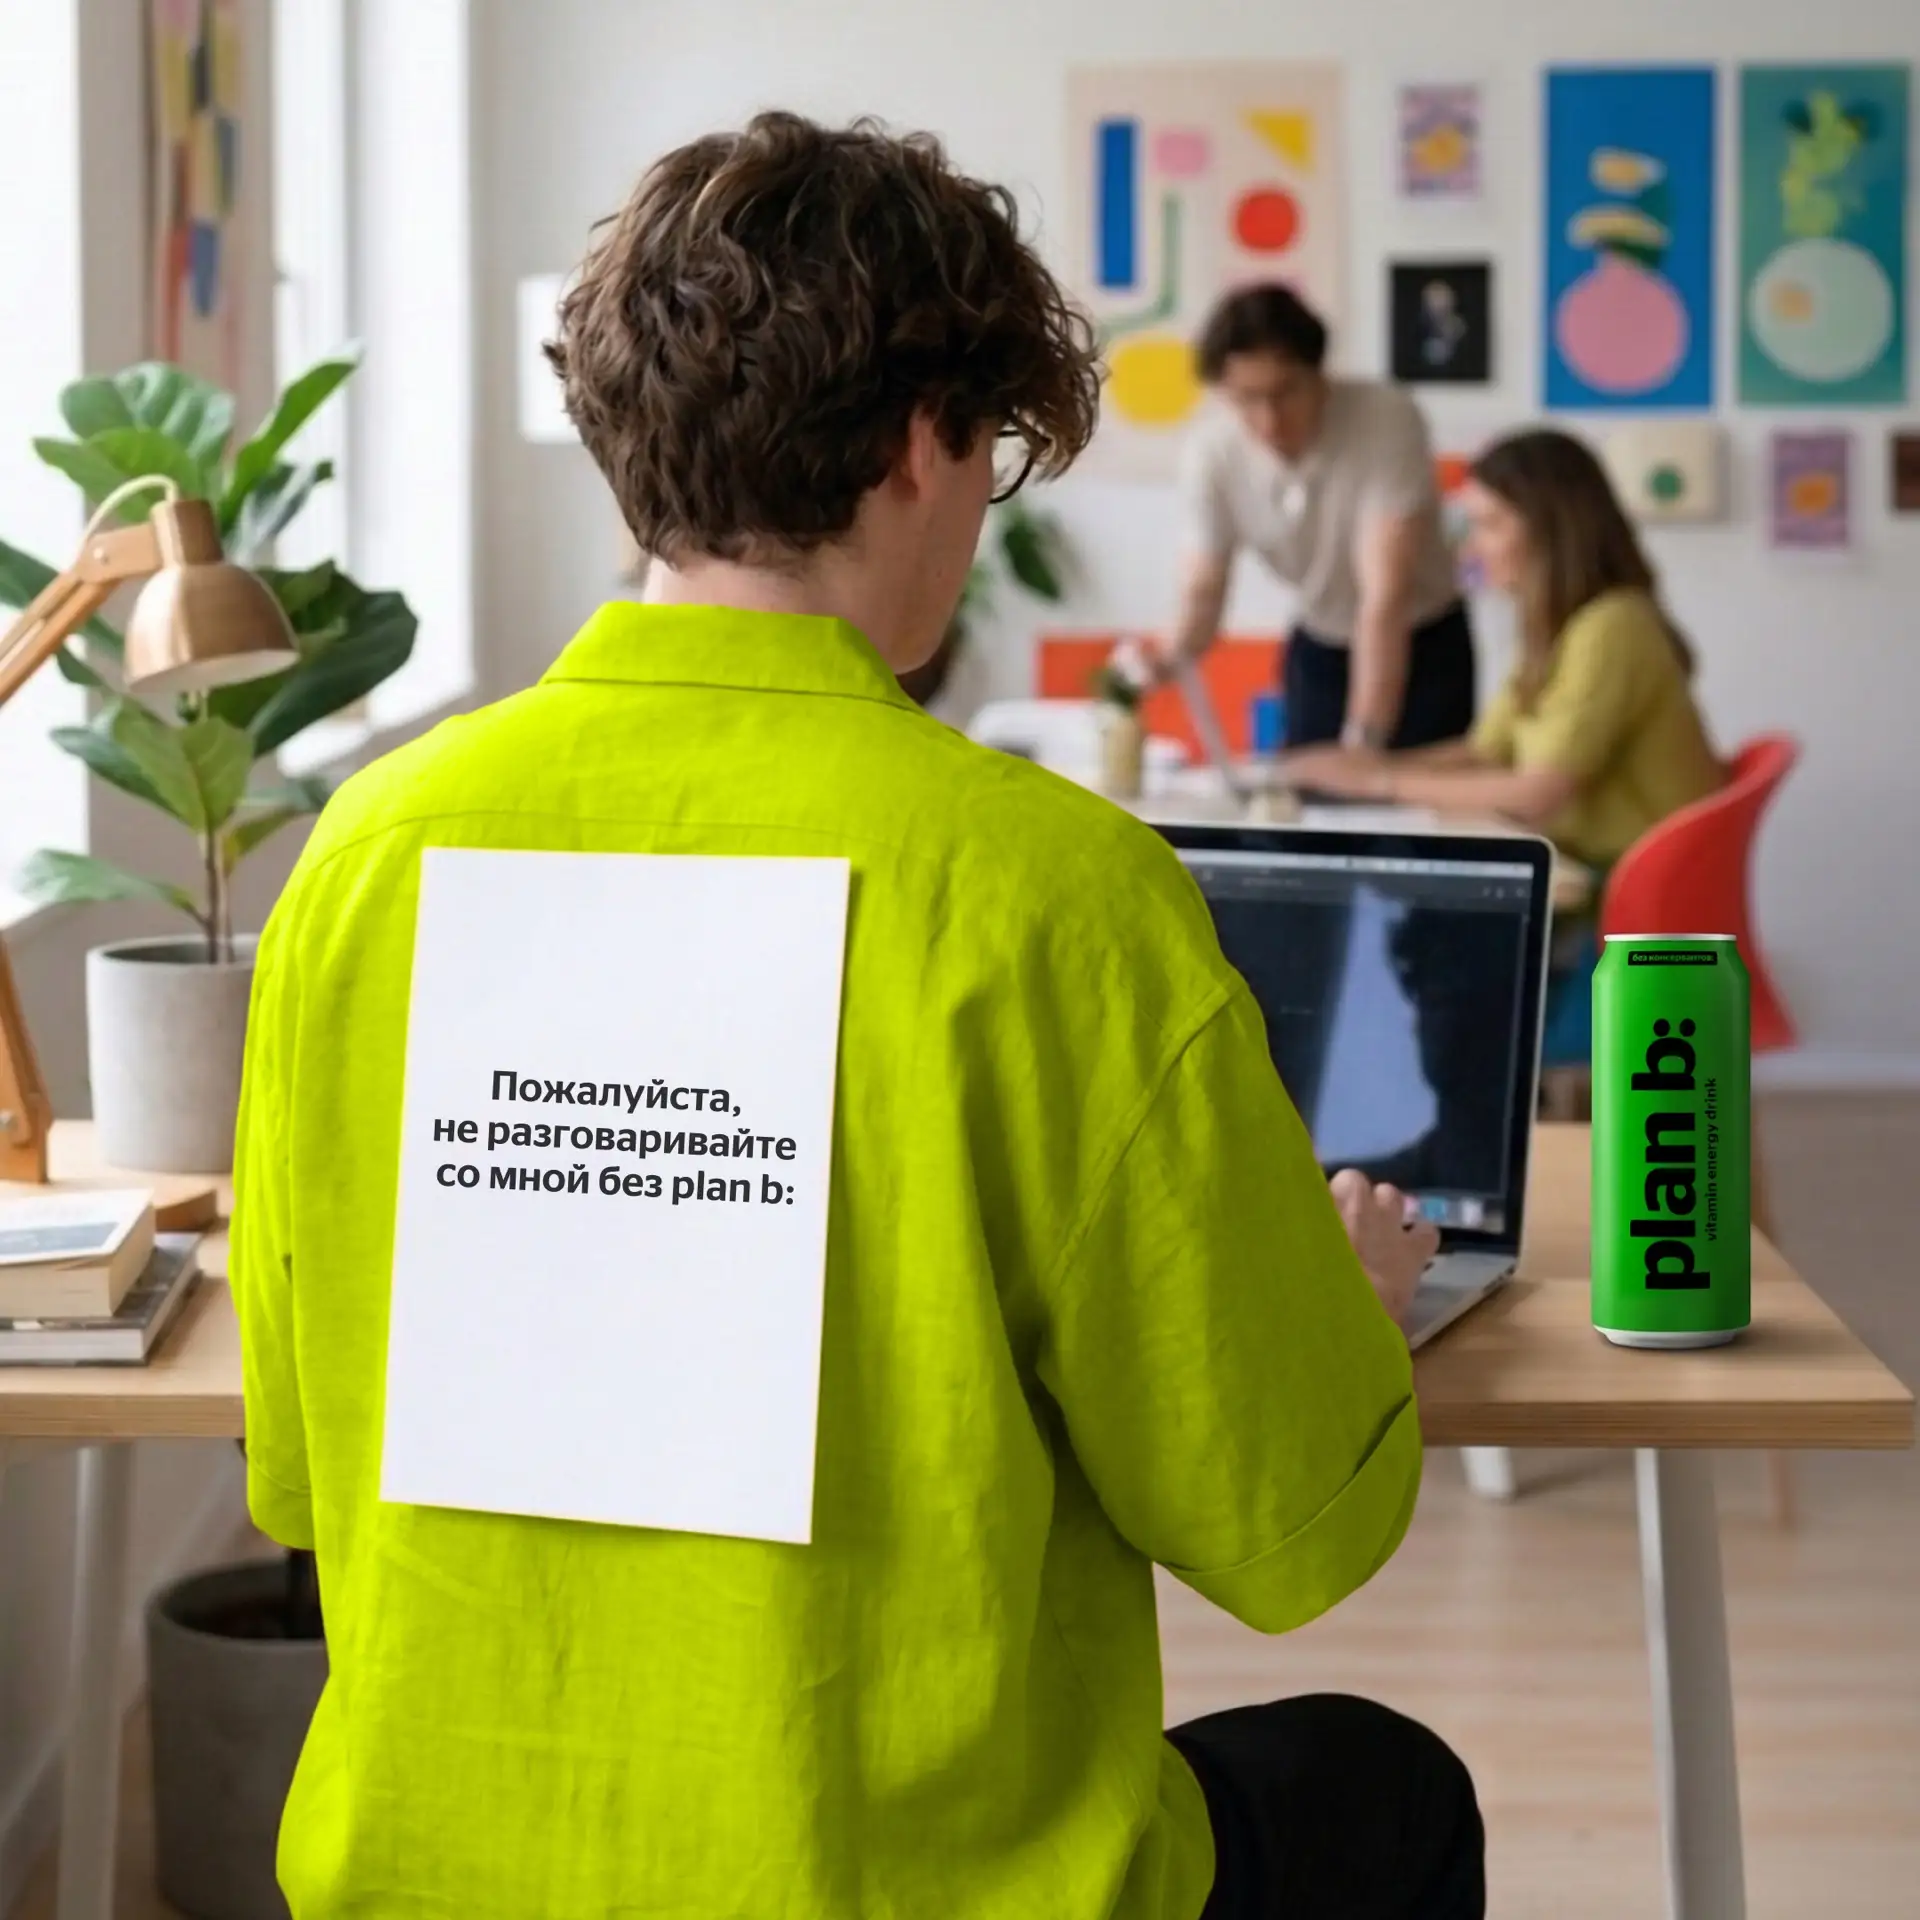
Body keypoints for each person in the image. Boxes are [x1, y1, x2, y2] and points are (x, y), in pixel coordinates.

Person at [231, 113, 1483, 1920]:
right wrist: (1347, 1309)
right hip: (906, 1883)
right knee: (1387, 1787)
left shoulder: (364, 860)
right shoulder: (1053, 893)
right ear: (921, 440)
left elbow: (294, 1474)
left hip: (430, 1879)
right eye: (993, 457)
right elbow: (1291, 1528)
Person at [1277, 427, 1723, 873]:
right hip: (1600, 866)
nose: (1472, 547)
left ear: (1550, 531)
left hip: (1637, 883)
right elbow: (1485, 751)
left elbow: (1538, 793)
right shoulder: (1560, 629)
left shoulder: (1612, 627)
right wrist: (1358, 768)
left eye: (1489, 525)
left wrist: (1380, 782)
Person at [1149, 284, 1474, 751]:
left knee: (1413, 789)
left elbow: (1385, 594)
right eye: (1247, 398)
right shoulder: (1213, 453)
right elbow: (1204, 590)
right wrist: (1162, 659)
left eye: (1285, 393)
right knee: (1307, 784)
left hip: (1421, 638)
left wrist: (1364, 742)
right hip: (1320, 640)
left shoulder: (1386, 418)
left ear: (1320, 374)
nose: (1269, 420)